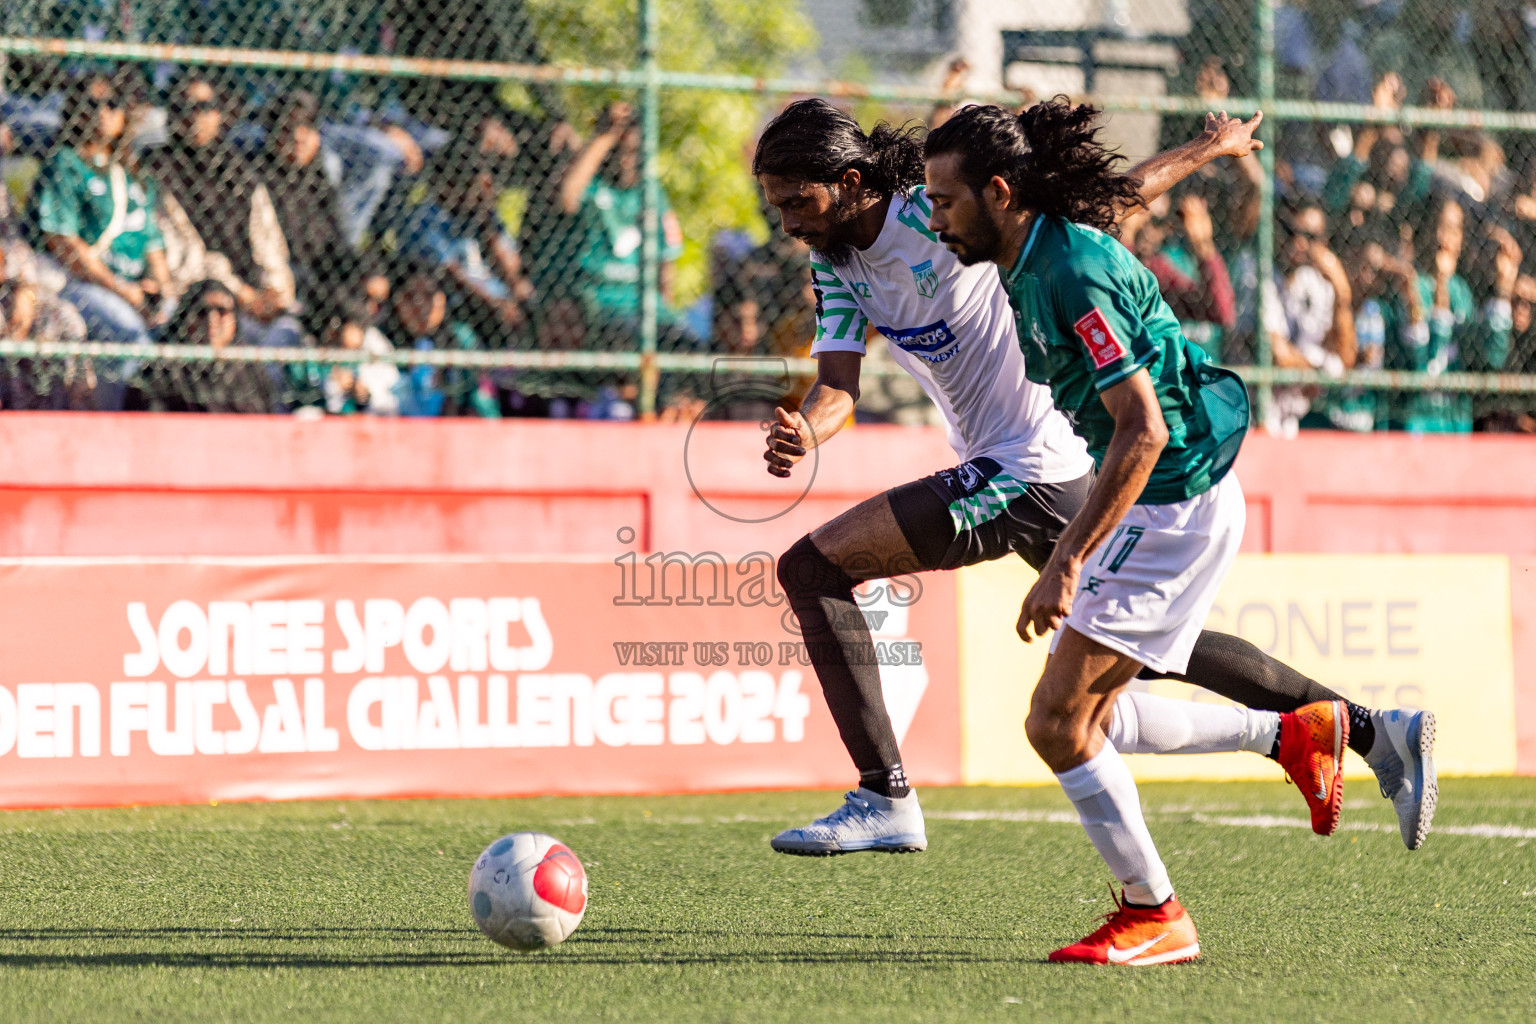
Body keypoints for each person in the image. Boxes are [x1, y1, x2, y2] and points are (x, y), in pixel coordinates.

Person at [751, 99, 1435, 870]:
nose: (788, 224)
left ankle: (885, 796)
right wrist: (807, 428)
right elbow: (838, 385)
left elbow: (1094, 209)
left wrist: (1204, 151)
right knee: (1149, 653)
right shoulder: (834, 264)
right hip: (1044, 469)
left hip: (1024, 466)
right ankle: (1372, 730)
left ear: (848, 182)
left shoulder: (937, 214)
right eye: (776, 208)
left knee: (813, 567)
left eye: (797, 204)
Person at [919, 99, 1426, 964]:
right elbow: (1131, 192)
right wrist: (1212, 146)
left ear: (999, 192)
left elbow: (1143, 428)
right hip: (1168, 498)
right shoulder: (1037, 239)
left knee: (1056, 725)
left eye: (943, 201)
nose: (934, 221)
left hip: (1171, 502)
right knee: (1094, 722)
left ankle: (1156, 914)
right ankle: (1302, 732)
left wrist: (1067, 561)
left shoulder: (1067, 271)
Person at [27, 73, 171, 409]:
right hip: (83, 284)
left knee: (181, 328)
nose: (102, 112)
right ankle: (115, 428)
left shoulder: (135, 175)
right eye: (92, 104)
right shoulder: (65, 164)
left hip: (136, 289)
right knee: (130, 337)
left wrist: (162, 295)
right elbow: (64, 246)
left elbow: (154, 246)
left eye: (112, 104)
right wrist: (125, 290)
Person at [146, 76, 300, 347]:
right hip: (194, 302)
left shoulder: (238, 173)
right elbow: (185, 257)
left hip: (252, 302)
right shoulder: (158, 170)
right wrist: (243, 294)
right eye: (185, 107)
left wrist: (274, 293)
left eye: (205, 107)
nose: (196, 116)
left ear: (220, 113)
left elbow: (268, 244)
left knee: (287, 333)